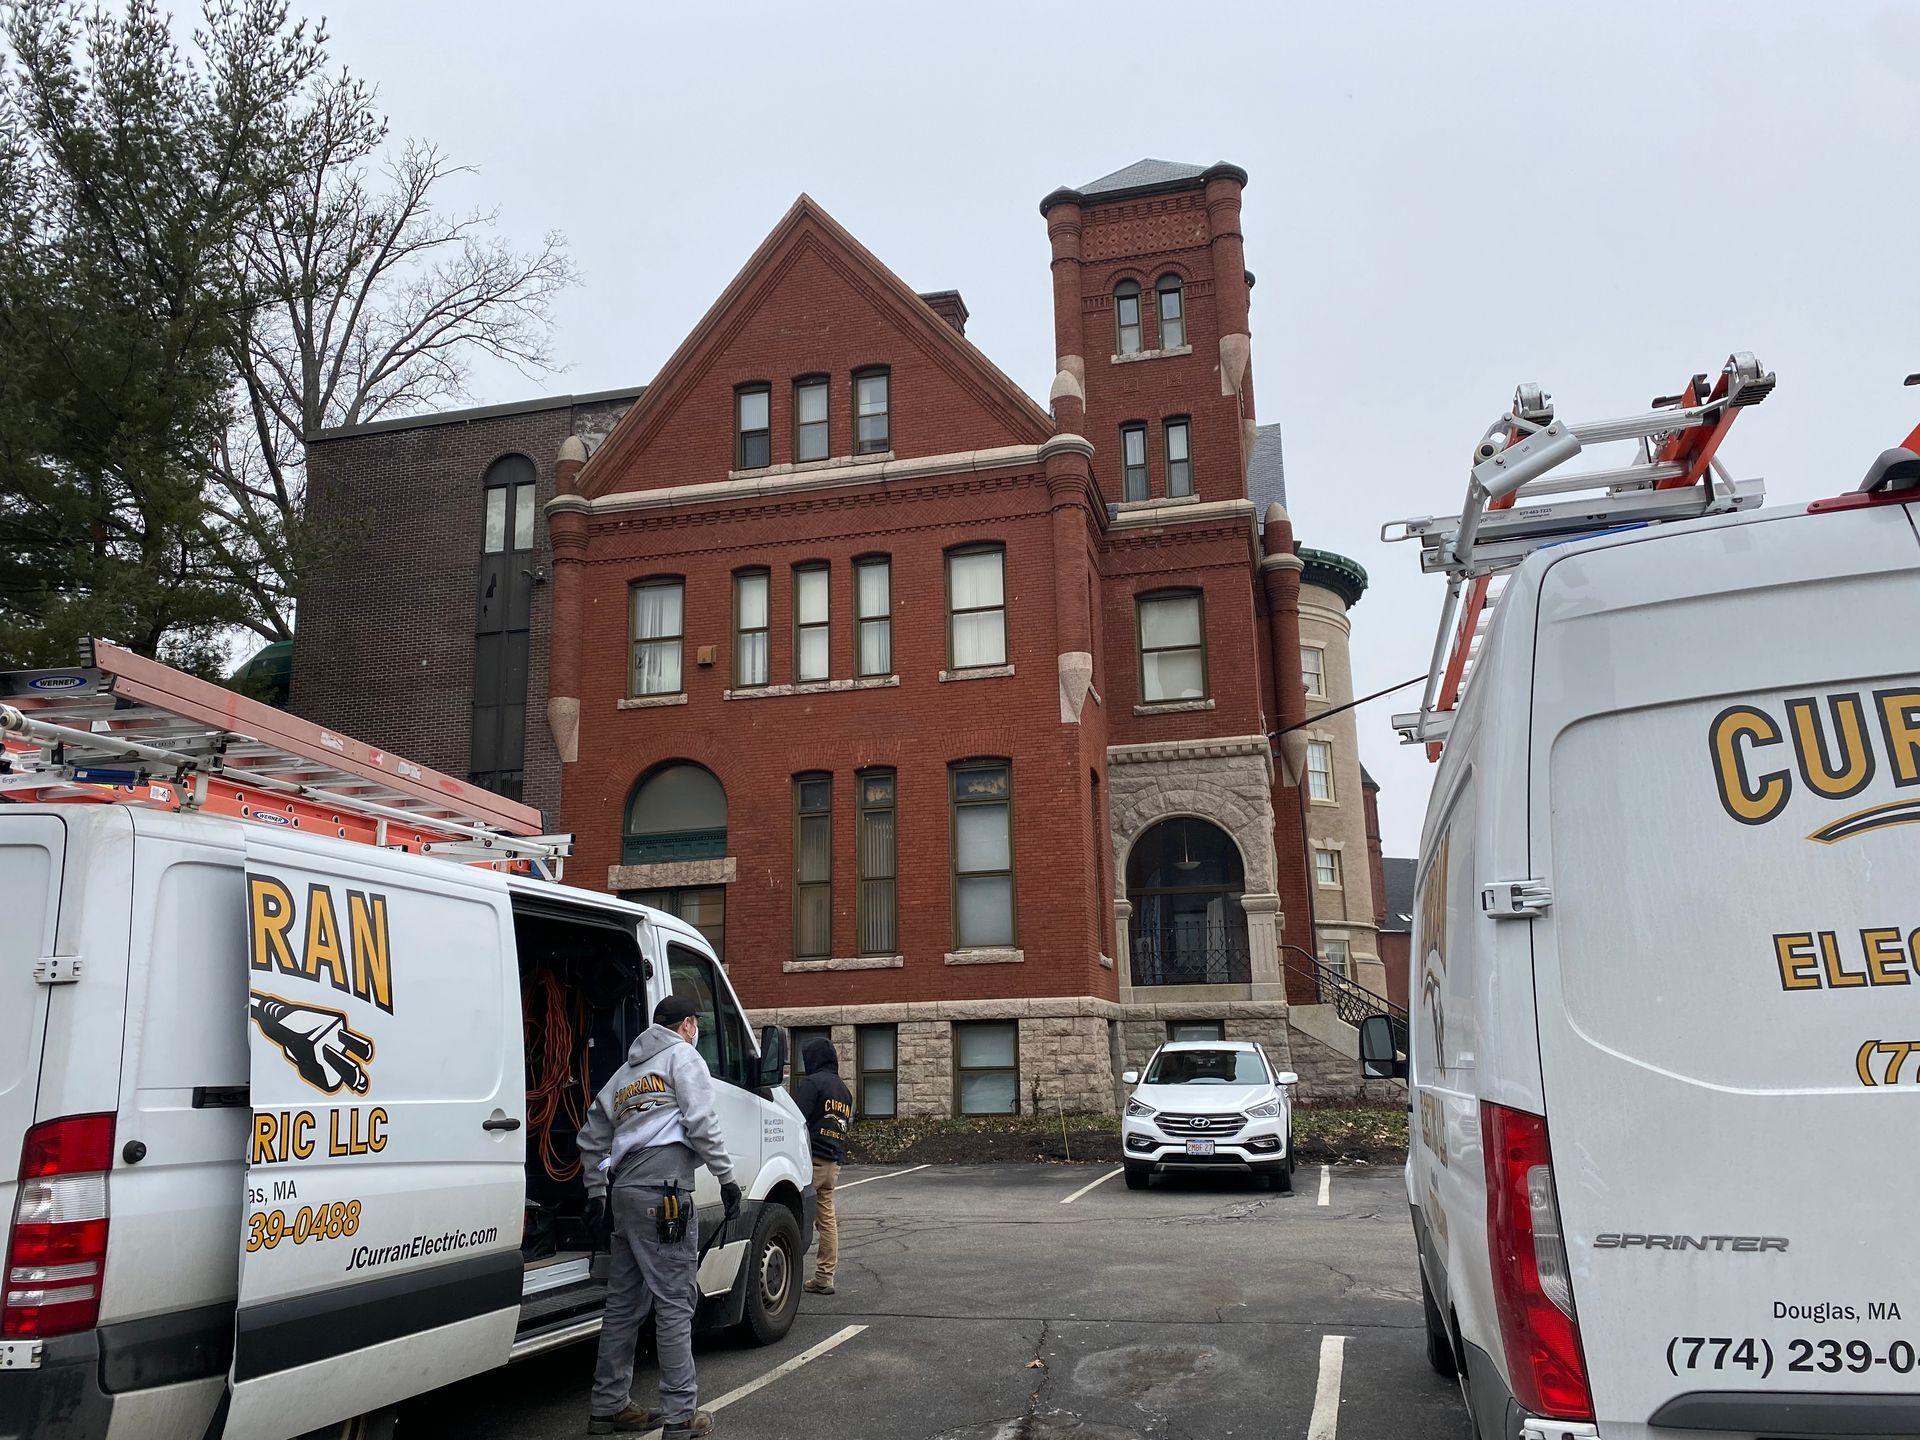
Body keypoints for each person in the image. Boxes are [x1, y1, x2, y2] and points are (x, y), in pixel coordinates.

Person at [578, 995, 742, 1438]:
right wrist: (727, 1179)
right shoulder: (682, 1058)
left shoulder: (624, 1075)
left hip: (625, 1195)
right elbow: (701, 1122)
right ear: (687, 1025)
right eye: (695, 1025)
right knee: (673, 1303)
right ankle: (681, 1415)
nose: (696, 1032)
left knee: (623, 1305)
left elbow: (590, 1136)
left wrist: (596, 1192)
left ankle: (608, 1407)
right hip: (664, 1194)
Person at [792, 1037, 852, 1295]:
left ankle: (786, 1276)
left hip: (810, 1162)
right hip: (832, 1162)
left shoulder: (813, 1083)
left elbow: (795, 1118)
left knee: (784, 1216)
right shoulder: (844, 1090)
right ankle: (825, 1277)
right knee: (826, 1220)